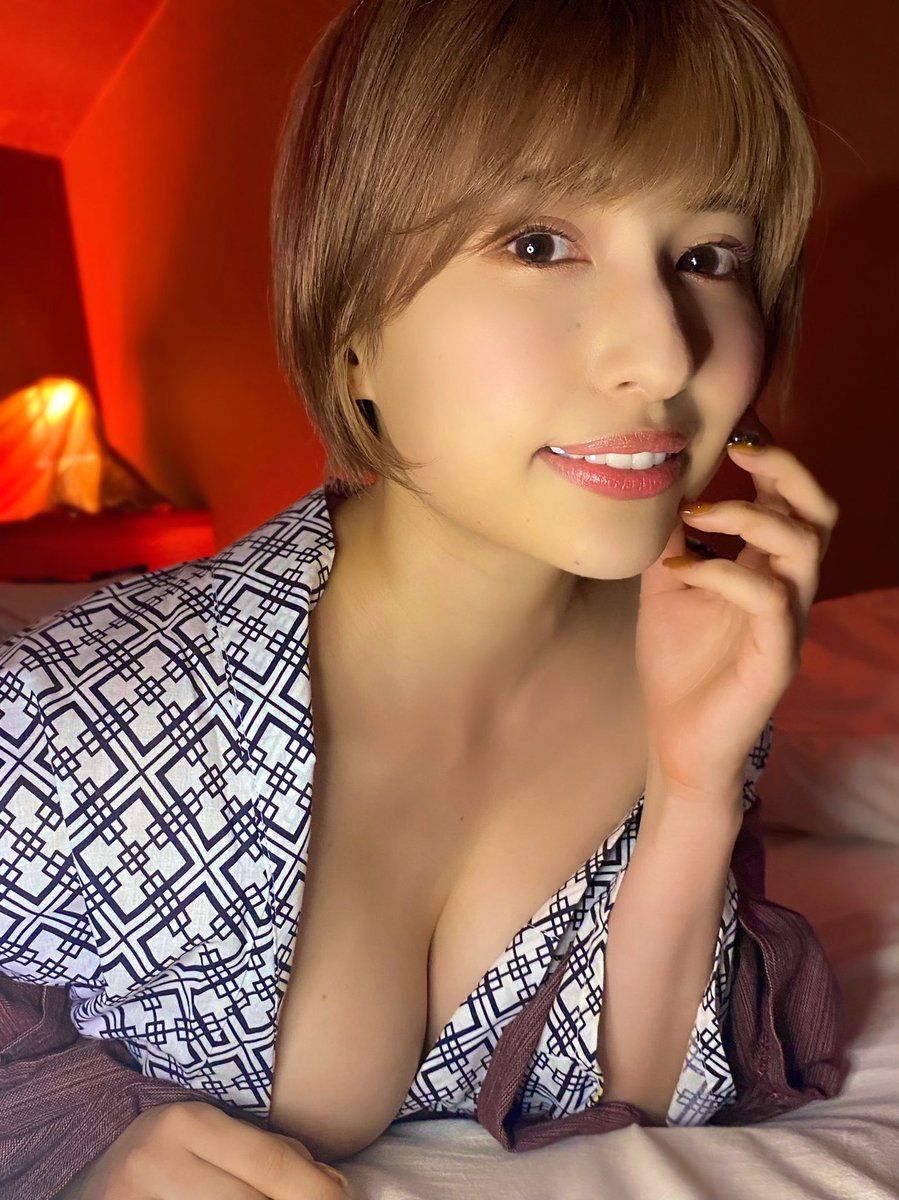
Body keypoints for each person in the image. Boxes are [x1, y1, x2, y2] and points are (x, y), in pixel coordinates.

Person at [0, 0, 850, 1196]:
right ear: (354, 327)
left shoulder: (691, 654)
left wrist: (692, 789)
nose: (665, 356)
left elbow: (647, 1099)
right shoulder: (72, 713)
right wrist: (66, 1132)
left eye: (707, 257)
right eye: (539, 244)